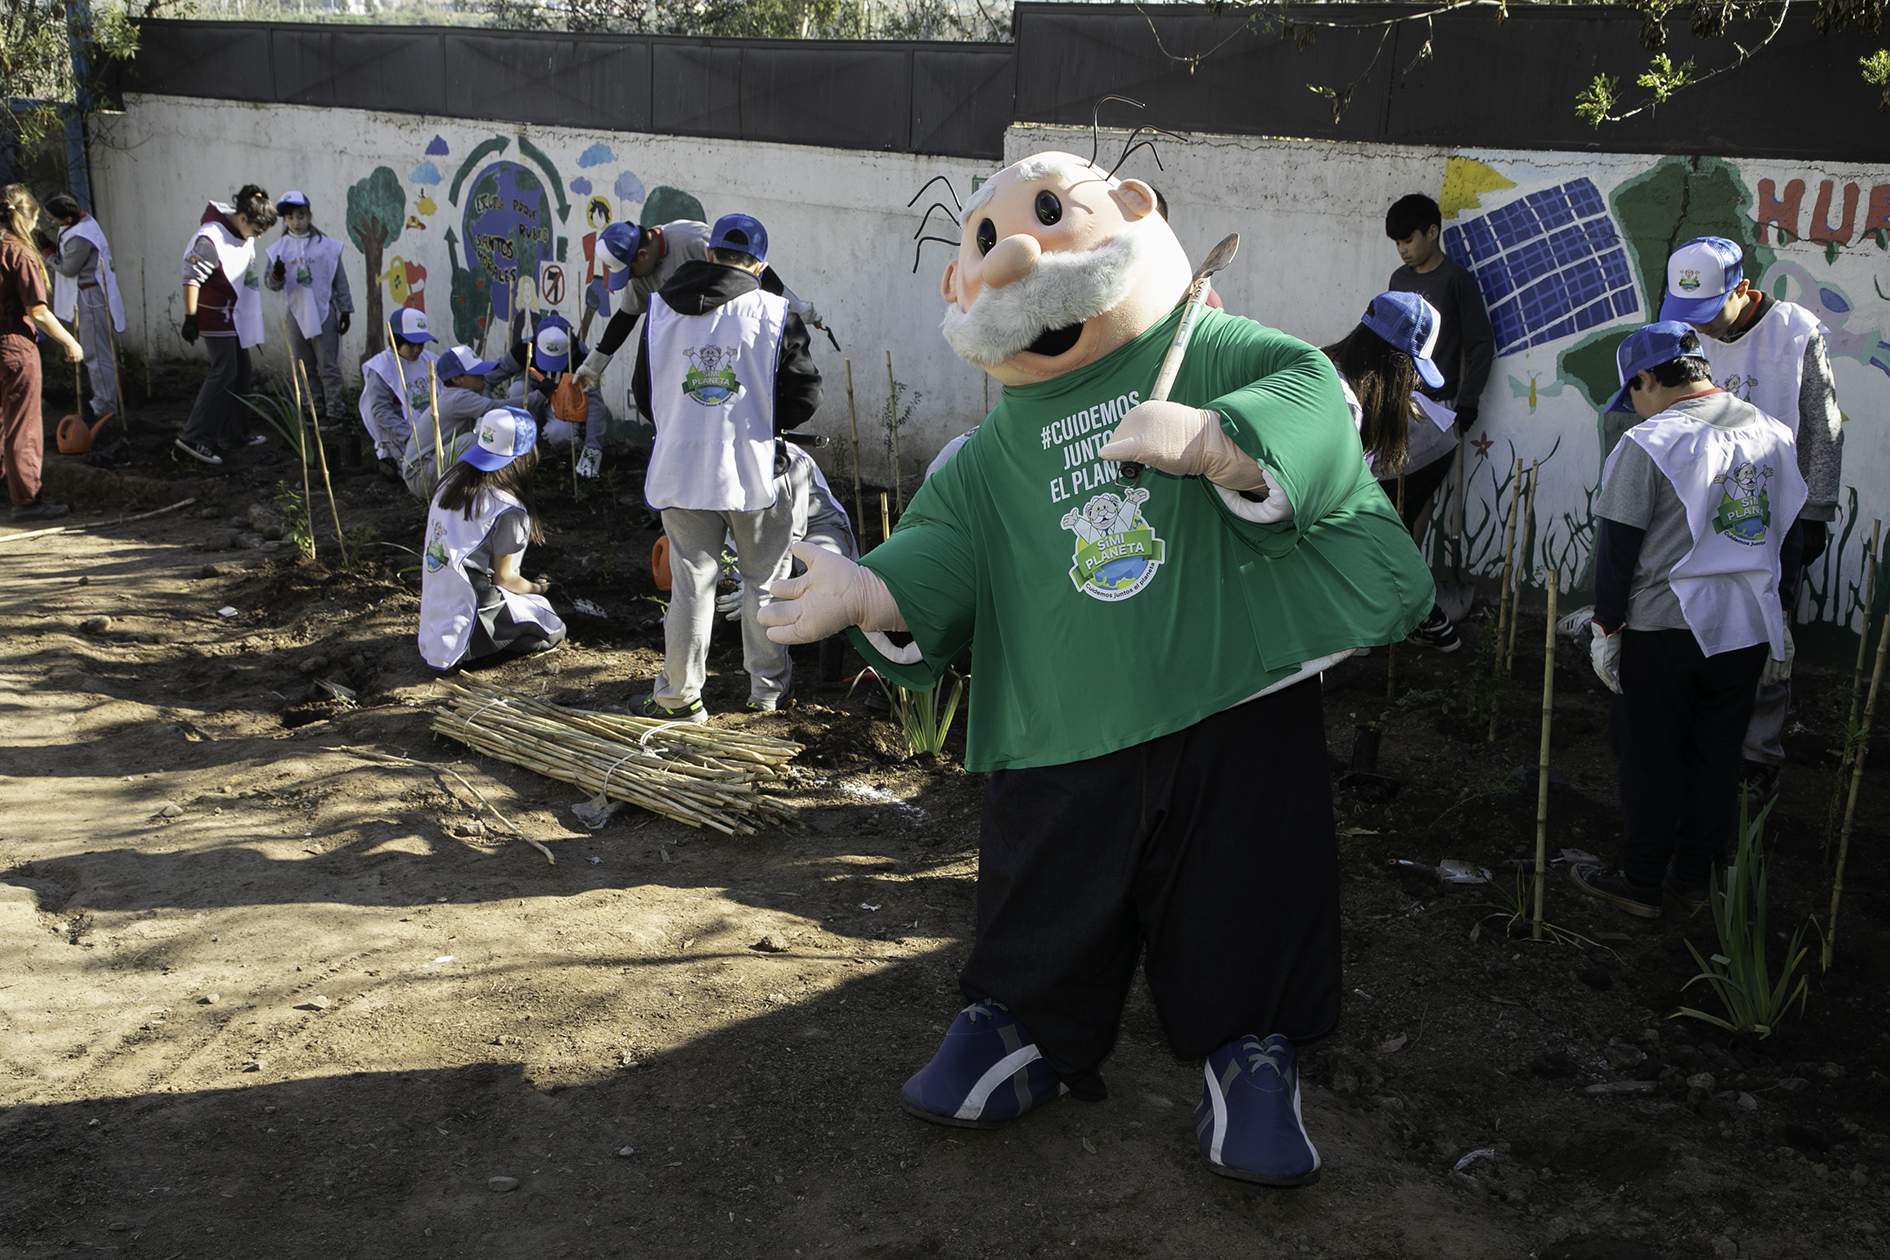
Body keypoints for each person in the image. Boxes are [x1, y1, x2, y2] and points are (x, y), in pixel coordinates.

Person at [758, 152, 1431, 1187]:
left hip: (1233, 696)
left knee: (1243, 881)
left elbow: (1313, 396)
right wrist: (868, 590)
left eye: (1043, 214)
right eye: (984, 242)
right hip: (1064, 715)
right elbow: (951, 543)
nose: (1017, 251)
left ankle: (1252, 1054)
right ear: (959, 289)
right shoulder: (991, 451)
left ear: (1133, 211)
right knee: (1049, 874)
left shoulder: (1212, 349)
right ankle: (1024, 1023)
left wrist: (1223, 438)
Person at [1575, 323, 1802, 919]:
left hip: (1665, 626)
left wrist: (1607, 627)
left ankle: (1642, 879)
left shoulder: (1650, 441)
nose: (1635, 406)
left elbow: (1618, 550)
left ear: (1646, 378)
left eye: (1634, 392)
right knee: (1717, 754)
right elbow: (1791, 536)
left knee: (1650, 754)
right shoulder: (1772, 432)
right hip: (1746, 628)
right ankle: (1693, 879)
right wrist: (1781, 614)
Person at [1658, 236, 1844, 809]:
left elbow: (1823, 422)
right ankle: (1706, 738)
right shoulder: (1688, 333)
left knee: (1768, 626)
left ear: (1742, 288)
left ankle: (1758, 756)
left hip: (1776, 511)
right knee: (1699, 617)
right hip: (1704, 506)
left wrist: (1815, 510)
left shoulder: (1793, 332)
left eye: (1709, 312)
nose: (1701, 329)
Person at [629, 212, 823, 720]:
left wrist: (684, 423)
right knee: (765, 579)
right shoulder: (774, 312)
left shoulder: (659, 311)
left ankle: (680, 695)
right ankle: (767, 693)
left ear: (709, 254)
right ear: (759, 265)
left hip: (679, 468)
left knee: (691, 582)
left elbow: (643, 394)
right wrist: (758, 420)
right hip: (754, 468)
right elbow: (806, 394)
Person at [1323, 290, 1460, 651]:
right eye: (1412, 373)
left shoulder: (1340, 374)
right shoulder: (1340, 401)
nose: (1412, 385)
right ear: (1394, 363)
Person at [1385, 193, 1493, 651]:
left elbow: (1480, 345)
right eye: (1396, 243)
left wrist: (1466, 404)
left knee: (1418, 506)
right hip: (1396, 407)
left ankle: (1415, 602)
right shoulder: (1398, 278)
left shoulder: (1457, 281)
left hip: (1439, 410)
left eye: (1408, 239)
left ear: (1432, 231)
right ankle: (1396, 600)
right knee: (1391, 503)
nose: (1403, 250)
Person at [576, 219, 823, 390]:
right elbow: (625, 318)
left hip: (727, 343)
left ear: (643, 254)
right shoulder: (640, 272)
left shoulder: (693, 240)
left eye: (629, 272)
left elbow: (752, 269)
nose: (630, 279)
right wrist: (592, 367)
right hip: (687, 354)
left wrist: (798, 307)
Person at [417, 404, 566, 670]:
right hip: (473, 606)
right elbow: (504, 578)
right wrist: (540, 589)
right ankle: (475, 651)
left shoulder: (450, 480)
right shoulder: (507, 506)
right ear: (526, 455)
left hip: (437, 608)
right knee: (552, 629)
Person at [176, 184, 277, 465]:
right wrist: (190, 317)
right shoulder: (211, 238)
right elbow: (191, 277)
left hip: (235, 314)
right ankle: (193, 438)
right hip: (213, 314)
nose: (257, 236)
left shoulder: (241, 234)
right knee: (224, 372)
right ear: (243, 218)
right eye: (257, 230)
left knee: (242, 371)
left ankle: (234, 434)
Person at [0, 185, 84, 521]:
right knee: (22, 424)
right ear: (27, 217)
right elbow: (37, 311)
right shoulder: (18, 252)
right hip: (13, 347)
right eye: (36, 221)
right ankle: (27, 501)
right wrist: (69, 341)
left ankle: (6, 488)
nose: (36, 228)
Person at [264, 191, 353, 432]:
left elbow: (339, 280)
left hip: (324, 309)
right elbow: (270, 284)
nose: (296, 222)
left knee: (327, 364)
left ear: (309, 215)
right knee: (303, 363)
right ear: (285, 220)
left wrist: (345, 310)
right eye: (290, 217)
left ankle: (336, 412)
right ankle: (313, 408)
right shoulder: (278, 249)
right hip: (296, 311)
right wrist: (278, 274)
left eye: (301, 216)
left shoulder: (327, 246)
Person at [485, 311, 609, 478]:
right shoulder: (524, 348)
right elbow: (488, 379)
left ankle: (563, 458)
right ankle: (524, 450)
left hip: (564, 400)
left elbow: (595, 404)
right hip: (532, 395)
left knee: (562, 435)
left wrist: (593, 449)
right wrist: (481, 416)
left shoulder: (582, 357)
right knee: (516, 390)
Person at [42, 193, 125, 424]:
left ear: (67, 218)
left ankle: (105, 406)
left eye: (53, 219)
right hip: (89, 292)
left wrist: (46, 253)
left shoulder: (81, 235)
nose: (52, 223)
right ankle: (102, 399)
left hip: (91, 295)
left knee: (96, 353)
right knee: (95, 352)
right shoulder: (81, 222)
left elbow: (68, 268)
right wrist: (50, 243)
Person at [400, 343, 499, 499]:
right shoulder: (459, 397)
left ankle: (469, 494)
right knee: (472, 441)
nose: (483, 377)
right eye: (476, 374)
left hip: (425, 468)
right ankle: (467, 496)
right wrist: (537, 397)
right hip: (420, 474)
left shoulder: (458, 394)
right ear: (458, 379)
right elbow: (495, 408)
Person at [359, 306, 439, 478]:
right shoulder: (381, 367)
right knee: (422, 474)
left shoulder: (429, 359)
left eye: (421, 344)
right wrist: (412, 436)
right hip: (401, 435)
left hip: (433, 431)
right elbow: (381, 412)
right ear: (395, 339)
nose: (417, 350)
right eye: (411, 344)